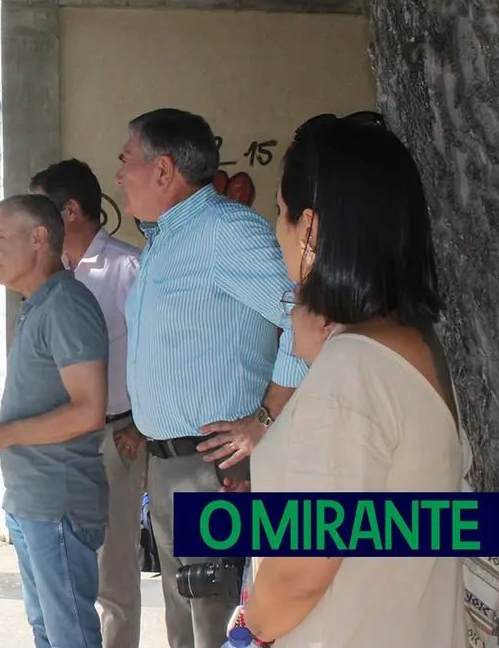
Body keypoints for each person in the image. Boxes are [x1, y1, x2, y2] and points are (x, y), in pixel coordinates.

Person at [235, 113, 465, 646]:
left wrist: (254, 628)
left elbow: (301, 569)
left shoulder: (354, 371)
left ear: (310, 228)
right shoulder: (411, 346)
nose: (278, 232)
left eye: (281, 214)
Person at [115, 108, 309, 648]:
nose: (118, 176)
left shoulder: (224, 230)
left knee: (217, 625)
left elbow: (302, 314)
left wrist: (265, 417)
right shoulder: (165, 240)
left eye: (126, 160)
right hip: (171, 466)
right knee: (186, 620)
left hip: (215, 467)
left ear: (163, 170)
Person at [0, 194, 109, 648]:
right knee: (48, 631)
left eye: (0, 238)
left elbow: (89, 409)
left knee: (70, 635)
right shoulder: (39, 302)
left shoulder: (65, 303)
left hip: (56, 504)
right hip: (32, 502)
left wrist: (3, 433)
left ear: (39, 238)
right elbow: (52, 399)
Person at [30, 159, 145, 648]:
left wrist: (140, 424)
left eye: (40, 209)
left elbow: (154, 353)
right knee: (57, 574)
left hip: (110, 440)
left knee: (112, 578)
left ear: (70, 211)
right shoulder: (47, 277)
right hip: (56, 443)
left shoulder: (127, 268)